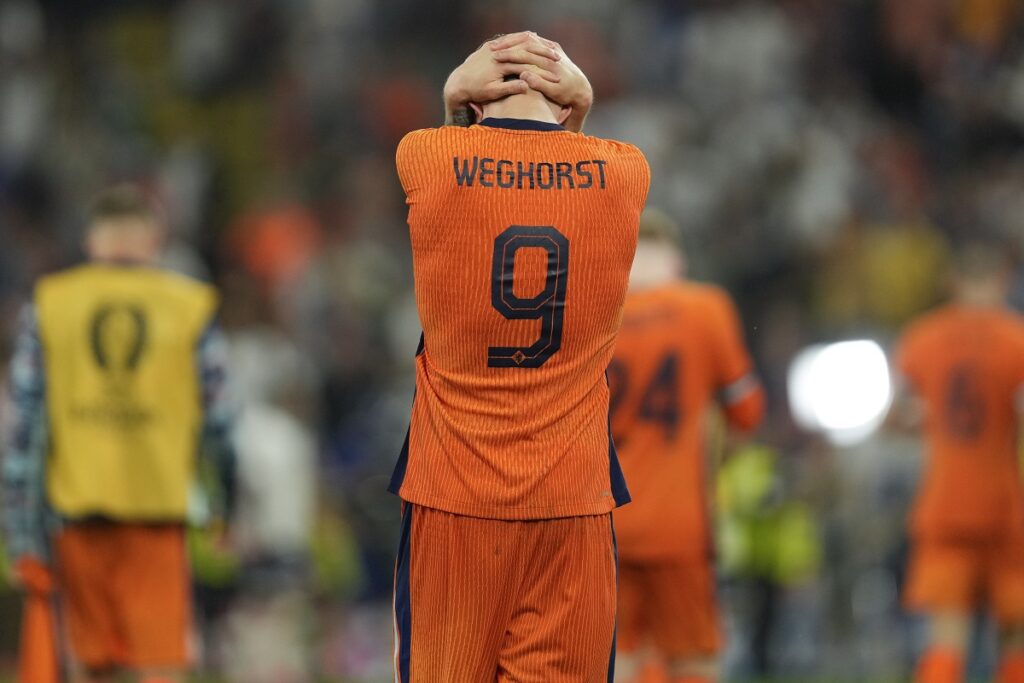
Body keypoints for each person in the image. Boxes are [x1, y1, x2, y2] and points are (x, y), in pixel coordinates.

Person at [389, 32, 650, 681]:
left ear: (475, 104)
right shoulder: (624, 170)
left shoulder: (426, 154)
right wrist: (582, 108)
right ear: (566, 102)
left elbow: (450, 182)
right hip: (572, 500)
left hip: (454, 494)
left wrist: (453, 94)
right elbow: (577, 166)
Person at [1, 185, 237, 683]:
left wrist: (22, 532)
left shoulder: (50, 303)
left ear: (92, 241)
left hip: (76, 510)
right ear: (153, 241)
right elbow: (219, 418)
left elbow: (23, 431)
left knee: (89, 665)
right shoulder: (189, 305)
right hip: (156, 509)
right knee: (160, 666)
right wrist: (225, 501)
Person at [607, 209, 765, 683]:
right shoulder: (705, 309)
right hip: (678, 520)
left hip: (604, 516)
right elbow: (747, 412)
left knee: (617, 655)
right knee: (692, 655)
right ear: (674, 254)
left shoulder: (595, 311)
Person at [894, 243, 1024, 683]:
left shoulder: (923, 336)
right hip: (1009, 508)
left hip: (946, 504)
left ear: (952, 282)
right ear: (1003, 280)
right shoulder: (1017, 339)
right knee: (1015, 634)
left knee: (946, 638)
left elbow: (900, 416)